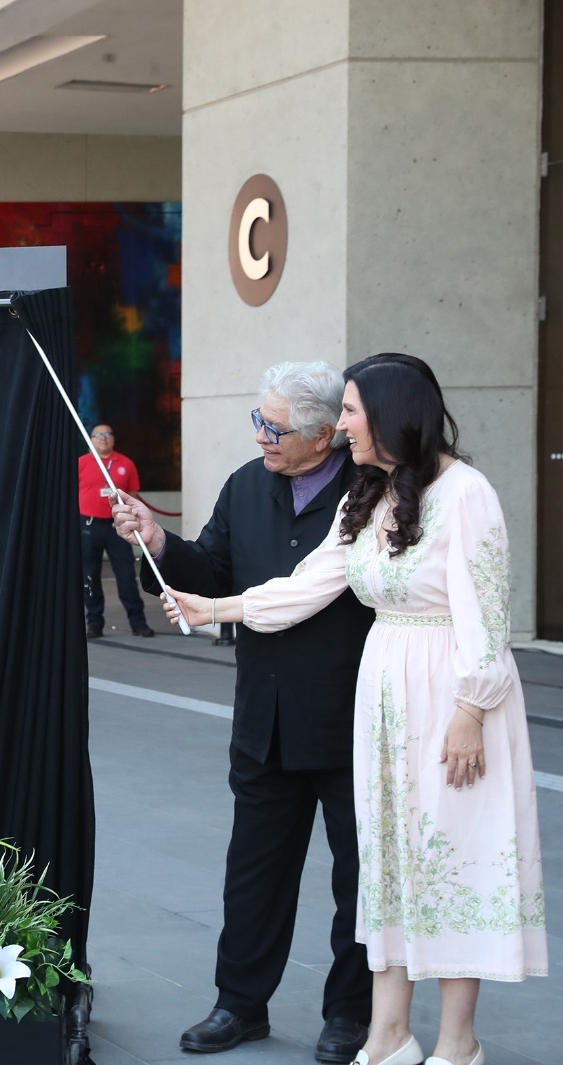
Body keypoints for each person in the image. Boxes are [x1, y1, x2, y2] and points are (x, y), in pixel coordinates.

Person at [163, 354, 547, 1065]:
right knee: (388, 863)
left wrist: (471, 707)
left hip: (452, 694)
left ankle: (458, 1043)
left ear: (392, 412)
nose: (341, 426)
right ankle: (387, 1033)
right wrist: (217, 606)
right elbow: (310, 582)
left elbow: (487, 614)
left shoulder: (466, 492)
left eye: (349, 411)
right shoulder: (366, 495)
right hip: (385, 697)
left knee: (454, 859)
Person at [114, 362, 373, 1062]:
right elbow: (210, 569)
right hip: (264, 718)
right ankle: (239, 1003)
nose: (261, 436)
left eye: (275, 427)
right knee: (253, 871)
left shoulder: (370, 492)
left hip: (352, 719)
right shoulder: (245, 485)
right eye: (258, 421)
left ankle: (350, 1013)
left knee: (359, 878)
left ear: (326, 436)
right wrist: (159, 543)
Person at [79, 423, 152, 638]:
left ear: (113, 439)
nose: (103, 438)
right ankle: (94, 623)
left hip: (117, 526)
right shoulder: (81, 463)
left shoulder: (125, 464)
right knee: (89, 576)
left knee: (126, 575)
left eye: (108, 434)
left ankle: (138, 622)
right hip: (89, 526)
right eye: (98, 435)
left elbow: (132, 494)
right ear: (91, 439)